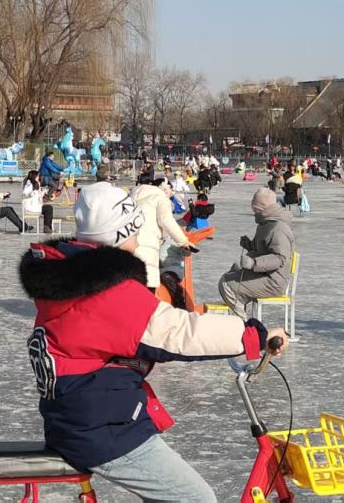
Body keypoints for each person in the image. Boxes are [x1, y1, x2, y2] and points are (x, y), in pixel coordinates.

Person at [18, 182, 287, 503]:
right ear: (123, 233)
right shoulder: (108, 293)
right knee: (196, 498)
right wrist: (252, 334)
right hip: (101, 429)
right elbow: (178, 333)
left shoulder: (73, 284)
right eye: (136, 229)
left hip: (79, 418)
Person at [218, 188, 296, 317]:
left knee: (227, 284)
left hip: (273, 281)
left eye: (255, 208)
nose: (253, 212)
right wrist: (249, 244)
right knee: (233, 272)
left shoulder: (278, 228)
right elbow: (262, 250)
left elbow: (279, 258)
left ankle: (242, 325)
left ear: (263, 207)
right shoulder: (266, 224)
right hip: (265, 274)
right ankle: (238, 317)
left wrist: (254, 263)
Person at [130, 177, 195, 291]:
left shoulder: (131, 196)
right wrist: (183, 241)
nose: (172, 193)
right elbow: (166, 221)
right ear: (165, 188)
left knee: (130, 283)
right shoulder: (160, 197)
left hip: (125, 242)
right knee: (147, 283)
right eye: (171, 190)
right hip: (147, 244)